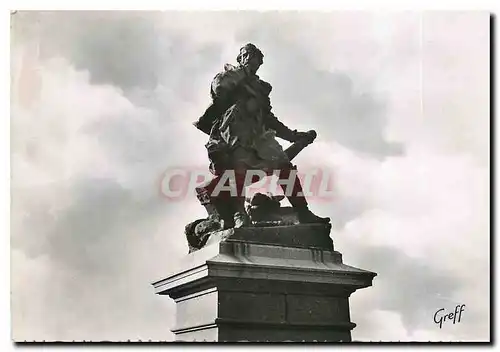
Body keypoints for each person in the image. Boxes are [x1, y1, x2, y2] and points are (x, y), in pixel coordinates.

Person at [194, 43, 330, 228]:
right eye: (248, 56)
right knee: (238, 169)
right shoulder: (227, 76)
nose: (252, 60)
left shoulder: (260, 88)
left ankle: (303, 211)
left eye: (256, 58)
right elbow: (219, 90)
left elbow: (268, 118)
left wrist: (292, 136)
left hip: (258, 134)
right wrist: (242, 74)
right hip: (233, 130)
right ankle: (239, 214)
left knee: (283, 165)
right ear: (240, 59)